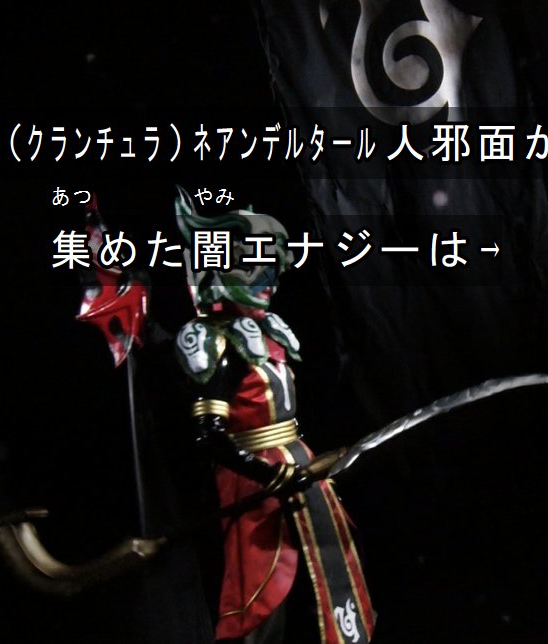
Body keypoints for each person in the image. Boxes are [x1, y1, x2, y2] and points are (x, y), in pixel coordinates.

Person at [172, 188, 374, 644]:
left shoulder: (270, 334)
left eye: (272, 268)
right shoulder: (215, 342)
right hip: (252, 481)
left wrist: (291, 467)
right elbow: (210, 436)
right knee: (261, 592)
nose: (268, 280)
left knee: (332, 562)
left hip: (299, 465)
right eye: (256, 267)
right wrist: (265, 473)